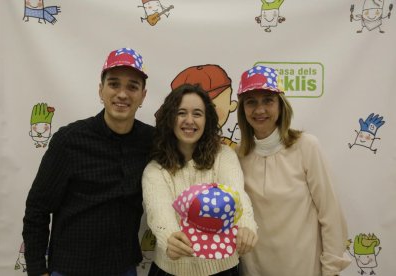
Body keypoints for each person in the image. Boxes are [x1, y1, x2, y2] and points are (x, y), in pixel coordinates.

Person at [22, 48, 154, 276]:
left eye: (132, 86)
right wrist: (37, 270)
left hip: (123, 267)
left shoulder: (152, 141)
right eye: (114, 84)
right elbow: (37, 209)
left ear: (143, 95)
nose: (122, 94)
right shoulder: (69, 140)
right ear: (101, 90)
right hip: (70, 268)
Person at [236, 64, 352, 276]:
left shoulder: (306, 146)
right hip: (255, 270)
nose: (259, 110)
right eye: (251, 102)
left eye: (268, 101)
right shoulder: (238, 157)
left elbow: (330, 213)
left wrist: (331, 269)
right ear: (243, 110)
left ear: (281, 105)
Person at [142, 83, 258, 276]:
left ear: (207, 120)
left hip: (223, 269)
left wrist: (246, 224)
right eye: (181, 113)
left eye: (197, 113)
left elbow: (237, 196)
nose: (189, 120)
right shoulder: (155, 169)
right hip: (171, 270)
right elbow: (158, 211)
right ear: (170, 118)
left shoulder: (224, 156)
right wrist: (169, 237)